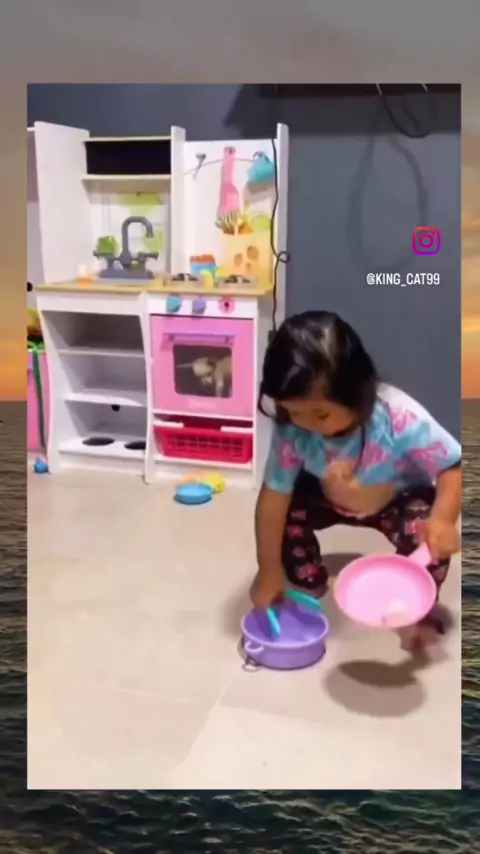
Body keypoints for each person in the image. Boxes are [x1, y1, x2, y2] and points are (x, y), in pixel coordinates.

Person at [252, 311, 461, 651]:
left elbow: (452, 467)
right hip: (327, 495)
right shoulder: (292, 429)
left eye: (320, 413)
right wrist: (268, 570)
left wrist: (443, 519)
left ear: (357, 393)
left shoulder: (400, 417)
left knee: (427, 534)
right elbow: (274, 496)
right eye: (293, 411)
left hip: (395, 500)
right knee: (286, 512)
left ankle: (416, 606)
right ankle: (308, 578)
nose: (305, 423)